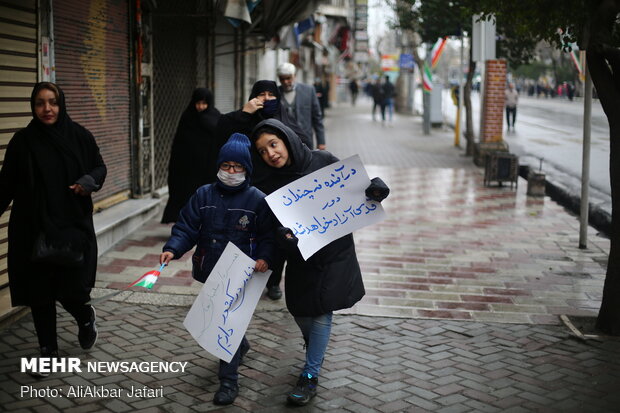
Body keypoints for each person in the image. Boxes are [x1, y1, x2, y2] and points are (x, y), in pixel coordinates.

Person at [250, 118, 390, 406]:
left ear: (286, 139)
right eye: (262, 151)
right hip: (300, 257)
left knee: (322, 311)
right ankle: (313, 347)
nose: (270, 154)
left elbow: (359, 191)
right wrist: (281, 239)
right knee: (300, 310)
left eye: (273, 145)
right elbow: (273, 226)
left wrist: (376, 189)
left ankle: (310, 375)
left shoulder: (323, 161)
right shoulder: (269, 182)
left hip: (334, 255)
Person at [160, 133, 274, 406]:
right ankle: (241, 344)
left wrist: (265, 257)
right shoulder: (203, 194)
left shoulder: (258, 200)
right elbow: (187, 226)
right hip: (210, 269)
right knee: (226, 318)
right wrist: (173, 248)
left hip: (242, 274)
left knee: (225, 323)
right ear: (219, 166)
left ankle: (228, 381)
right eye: (227, 166)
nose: (231, 172)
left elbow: (269, 235)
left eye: (238, 167)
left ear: (247, 170)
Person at [0, 82, 106, 370]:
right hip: (32, 228)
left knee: (71, 289)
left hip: (71, 226)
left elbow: (99, 167)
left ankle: (85, 317)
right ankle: (48, 351)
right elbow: (6, 184)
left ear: (62, 104)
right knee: (39, 292)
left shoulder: (79, 136)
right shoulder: (23, 142)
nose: (47, 109)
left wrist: (89, 182)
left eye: (53, 102)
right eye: (40, 103)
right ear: (32, 107)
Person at [216, 80, 310, 301]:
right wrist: (244, 114)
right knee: (257, 237)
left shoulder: (288, 122)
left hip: (288, 194)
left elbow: (306, 148)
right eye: (261, 94)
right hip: (257, 192)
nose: (267, 99)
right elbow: (221, 136)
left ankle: (274, 281)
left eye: (271, 94)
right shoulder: (246, 122)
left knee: (283, 239)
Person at [161, 88, 221, 224]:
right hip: (186, 170)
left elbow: (218, 142)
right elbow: (179, 144)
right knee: (186, 197)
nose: (200, 107)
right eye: (198, 103)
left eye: (204, 104)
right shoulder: (187, 117)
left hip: (207, 169)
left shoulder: (215, 117)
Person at [277, 63, 326, 150]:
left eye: (288, 78)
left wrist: (321, 141)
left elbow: (317, 118)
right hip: (283, 141)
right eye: (282, 79)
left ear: (294, 76)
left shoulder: (308, 91)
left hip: (305, 140)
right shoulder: (275, 93)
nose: (285, 82)